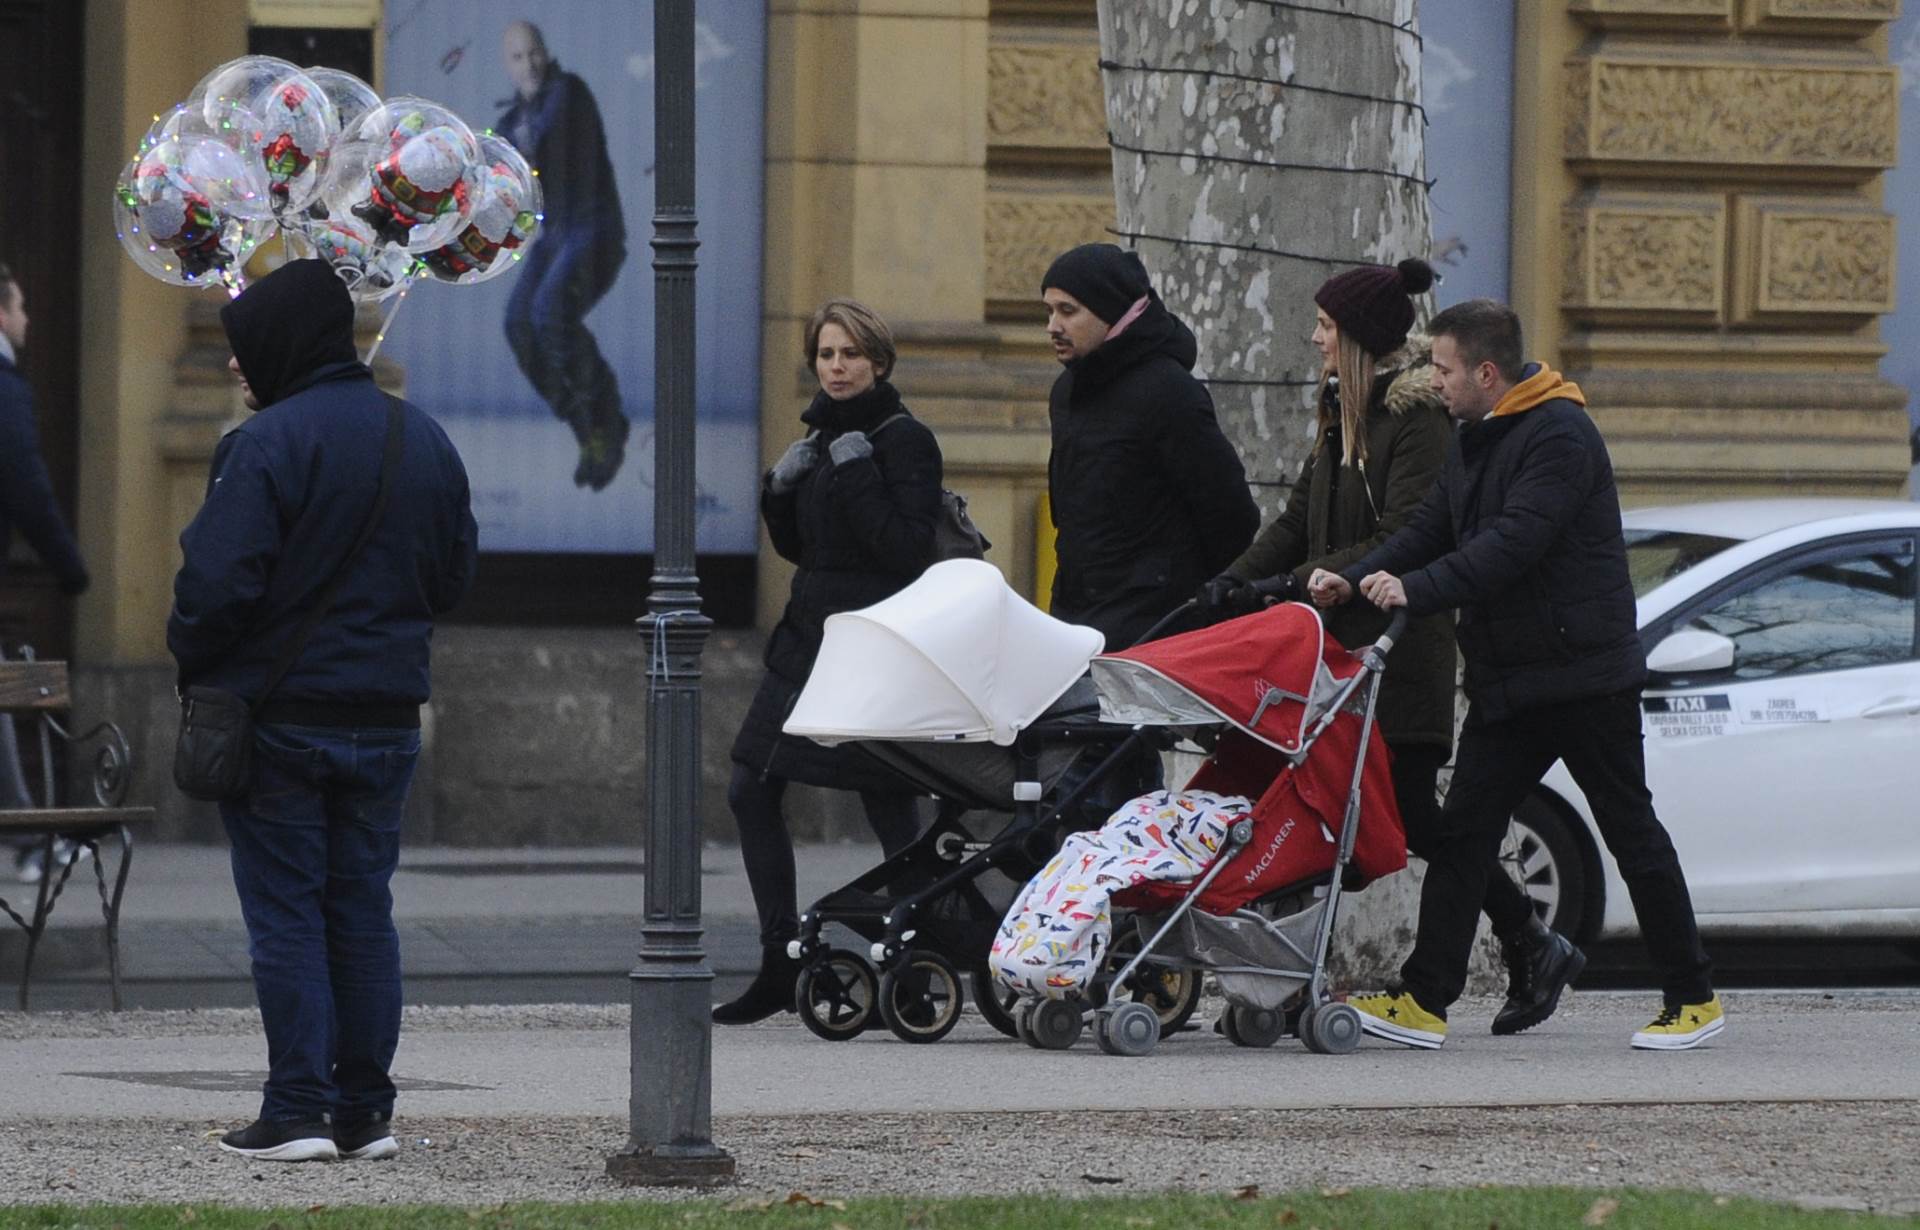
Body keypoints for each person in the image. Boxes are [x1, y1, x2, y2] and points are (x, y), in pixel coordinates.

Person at [1309, 298, 1719, 1051]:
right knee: (1464, 835)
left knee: (1632, 833)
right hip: (1512, 680)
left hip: (1584, 678)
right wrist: (1353, 576)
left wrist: (1417, 590)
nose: (1434, 382)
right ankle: (1425, 1001)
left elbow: (1511, 544)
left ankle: (1692, 998)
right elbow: (1432, 525)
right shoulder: (1475, 435)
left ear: (1486, 372)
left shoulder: (1561, 436)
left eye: (1443, 368)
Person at [1197, 259, 1582, 1038]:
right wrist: (1229, 586)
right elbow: (1299, 515)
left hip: (1397, 653)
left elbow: (1403, 535)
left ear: (1363, 339)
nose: (1314, 339)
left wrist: (1303, 580)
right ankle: (1297, 973)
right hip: (1330, 647)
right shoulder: (1342, 407)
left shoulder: (1416, 419)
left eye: (1327, 328)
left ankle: (1526, 938)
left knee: (1402, 817)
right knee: (1331, 808)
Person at [169, 259, 478, 1160]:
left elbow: (213, 592)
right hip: (387, 719)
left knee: (289, 916)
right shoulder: (423, 439)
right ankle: (364, 1114)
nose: (234, 367)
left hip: (280, 722)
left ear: (282, 344)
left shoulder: (263, 445)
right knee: (361, 909)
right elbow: (453, 579)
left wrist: (195, 655)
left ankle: (296, 1108)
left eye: (242, 349)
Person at [714, 299, 937, 1025]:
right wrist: (780, 492)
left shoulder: (904, 440)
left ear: (878, 361)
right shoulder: (818, 434)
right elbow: (808, 550)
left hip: (872, 646)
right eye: (826, 354)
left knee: (890, 804)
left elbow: (903, 552)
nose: (836, 367)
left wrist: (858, 474)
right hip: (807, 641)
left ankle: (910, 958)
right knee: (751, 786)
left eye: (850, 355)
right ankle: (781, 958)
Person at [1041, 243, 1260, 653]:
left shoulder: (1168, 392)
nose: (1052, 326)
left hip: (1157, 631)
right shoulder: (1067, 392)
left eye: (1068, 311)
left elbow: (1231, 515)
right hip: (1076, 622)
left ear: (1110, 311)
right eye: (1048, 311)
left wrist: (1184, 594)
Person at [497, 20, 629, 491]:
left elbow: (545, 146)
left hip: (594, 231)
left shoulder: (570, 93)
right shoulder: (510, 124)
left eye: (534, 53)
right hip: (554, 238)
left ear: (546, 53)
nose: (529, 63)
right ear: (507, 67)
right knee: (518, 325)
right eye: (517, 57)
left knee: (549, 312)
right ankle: (588, 429)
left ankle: (606, 414)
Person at [0, 261, 91, 883]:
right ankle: (31, 839)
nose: (28, 317)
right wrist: (70, 567)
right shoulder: (4, 388)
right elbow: (26, 486)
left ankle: (31, 835)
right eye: (20, 304)